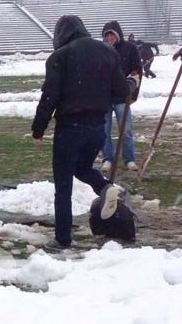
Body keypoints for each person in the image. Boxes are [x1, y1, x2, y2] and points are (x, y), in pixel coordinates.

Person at [31, 15, 139, 250]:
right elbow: (121, 90)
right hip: (97, 127)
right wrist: (133, 83)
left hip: (70, 128)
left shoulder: (60, 57)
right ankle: (104, 187)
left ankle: (62, 238)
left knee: (63, 185)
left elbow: (50, 96)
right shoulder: (108, 52)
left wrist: (38, 128)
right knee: (81, 168)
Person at [100, 20, 142, 173]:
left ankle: (129, 159)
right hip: (104, 97)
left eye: (112, 35)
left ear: (118, 35)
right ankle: (107, 158)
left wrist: (134, 93)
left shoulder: (130, 49)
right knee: (104, 130)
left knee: (126, 129)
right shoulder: (100, 50)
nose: (110, 38)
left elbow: (137, 71)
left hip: (123, 96)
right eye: (107, 36)